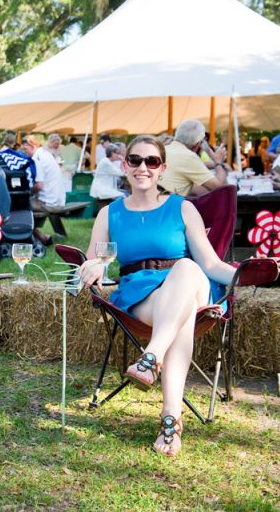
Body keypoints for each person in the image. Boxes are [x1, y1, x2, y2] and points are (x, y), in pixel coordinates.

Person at [78, 135, 235, 457]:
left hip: (190, 281)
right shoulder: (110, 214)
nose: (143, 168)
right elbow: (93, 259)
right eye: (135, 160)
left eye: (151, 162)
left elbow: (210, 264)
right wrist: (91, 267)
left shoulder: (184, 208)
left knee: (188, 269)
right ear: (125, 165)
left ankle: (151, 357)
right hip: (142, 292)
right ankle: (171, 419)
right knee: (181, 317)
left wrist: (245, 274)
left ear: (162, 168)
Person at [159, 119, 228, 196]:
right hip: (166, 206)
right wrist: (218, 162)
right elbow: (221, 189)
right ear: (197, 144)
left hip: (151, 203)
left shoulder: (162, 149)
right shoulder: (189, 157)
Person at [22, 134, 65, 244]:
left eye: (25, 148)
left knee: (17, 206)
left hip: (48, 202)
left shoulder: (37, 158)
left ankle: (40, 236)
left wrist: (26, 192)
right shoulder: (46, 154)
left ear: (32, 145)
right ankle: (39, 235)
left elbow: (39, 186)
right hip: (58, 199)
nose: (24, 151)